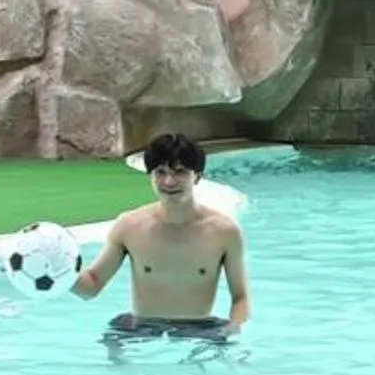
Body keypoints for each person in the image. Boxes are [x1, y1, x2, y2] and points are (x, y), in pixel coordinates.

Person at [71, 132, 253, 341]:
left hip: (199, 329)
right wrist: (63, 271)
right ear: (150, 176)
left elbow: (241, 298)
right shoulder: (129, 226)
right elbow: (91, 286)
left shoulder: (224, 231)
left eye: (180, 172)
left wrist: (235, 328)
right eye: (160, 172)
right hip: (141, 329)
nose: (169, 181)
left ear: (198, 176)